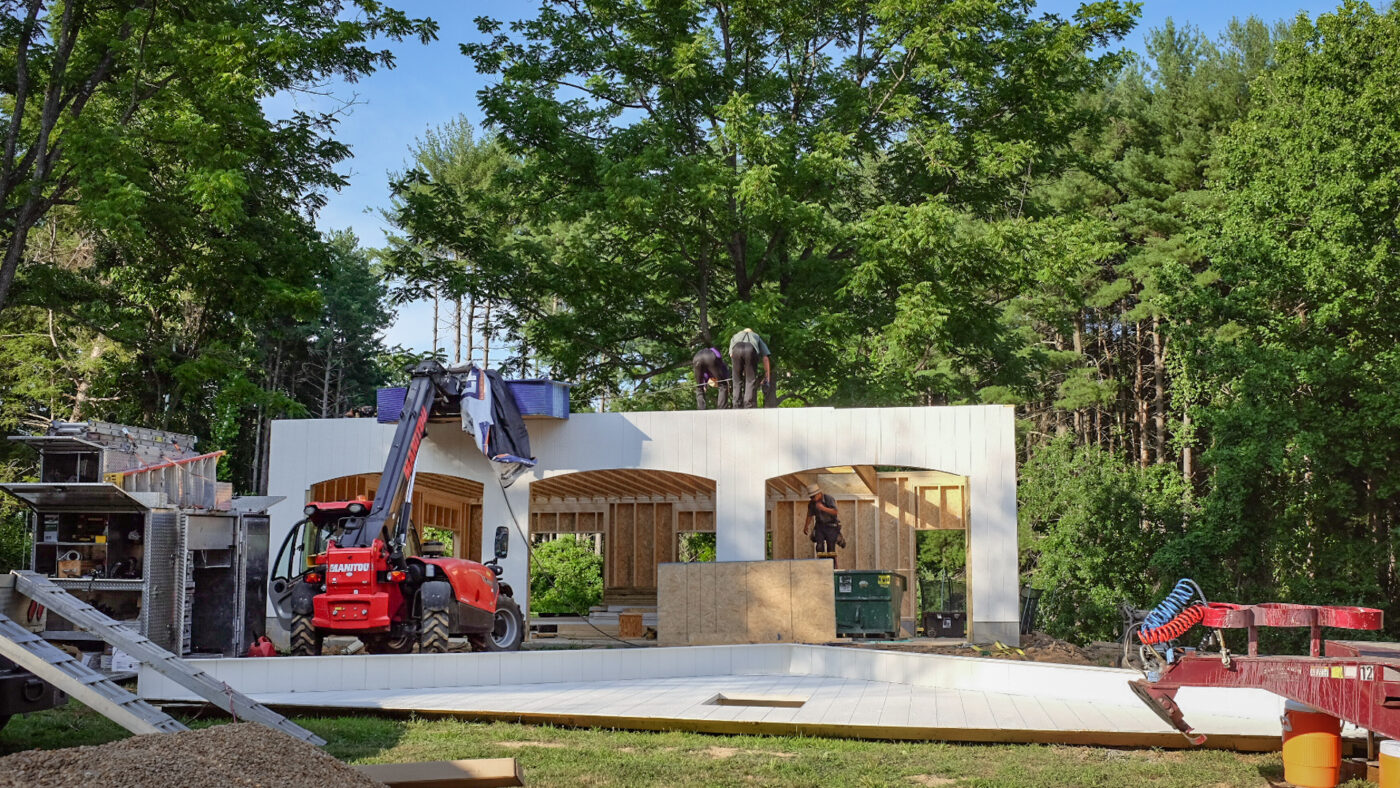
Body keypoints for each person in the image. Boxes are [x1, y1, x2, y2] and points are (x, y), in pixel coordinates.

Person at [727, 327, 772, 409]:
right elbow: (765, 357)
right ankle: (748, 405)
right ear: (752, 332)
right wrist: (767, 375)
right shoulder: (756, 336)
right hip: (750, 350)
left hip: (736, 349)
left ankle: (736, 405)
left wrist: (739, 367)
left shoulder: (735, 336)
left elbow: (731, 355)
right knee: (750, 380)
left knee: (737, 380)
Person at [802, 483, 843, 565]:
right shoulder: (812, 503)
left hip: (831, 526)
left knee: (831, 549)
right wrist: (806, 526)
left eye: (813, 496)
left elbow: (835, 512)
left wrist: (823, 508)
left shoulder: (829, 499)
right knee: (819, 547)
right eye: (811, 497)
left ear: (819, 493)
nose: (812, 499)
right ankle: (822, 565)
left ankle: (832, 567)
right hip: (820, 526)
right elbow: (809, 515)